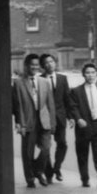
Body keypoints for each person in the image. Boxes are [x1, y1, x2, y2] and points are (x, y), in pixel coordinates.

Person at [11, 53, 56, 188]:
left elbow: (50, 104)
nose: (35, 67)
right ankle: (30, 178)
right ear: (26, 66)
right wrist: (19, 123)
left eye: (37, 65)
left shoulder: (45, 82)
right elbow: (17, 105)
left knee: (46, 148)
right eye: (32, 65)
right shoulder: (18, 83)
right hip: (28, 121)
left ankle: (38, 170)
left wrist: (53, 123)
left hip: (44, 121)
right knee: (28, 152)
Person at [69, 63, 97, 189]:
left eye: (93, 72)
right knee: (82, 154)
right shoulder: (76, 91)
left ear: (96, 74)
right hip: (84, 126)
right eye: (87, 73)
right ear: (83, 75)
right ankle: (84, 178)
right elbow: (73, 107)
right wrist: (78, 118)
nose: (90, 75)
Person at [40, 54, 72, 183]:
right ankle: (48, 172)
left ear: (55, 63)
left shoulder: (62, 79)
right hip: (45, 118)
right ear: (43, 66)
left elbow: (67, 99)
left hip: (60, 117)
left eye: (51, 61)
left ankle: (57, 168)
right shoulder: (40, 79)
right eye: (46, 62)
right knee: (46, 146)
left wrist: (70, 117)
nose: (49, 64)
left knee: (62, 144)